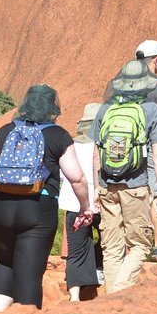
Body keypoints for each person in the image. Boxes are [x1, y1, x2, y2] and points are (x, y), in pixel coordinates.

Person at [0, 84, 94, 311]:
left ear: (25, 105)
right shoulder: (58, 136)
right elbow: (77, 178)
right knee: (29, 271)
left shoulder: (6, 130)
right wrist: (85, 207)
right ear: (52, 108)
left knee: (4, 262)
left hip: (1, 208)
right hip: (38, 209)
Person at [91, 60, 157, 293]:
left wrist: (96, 186)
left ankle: (111, 297)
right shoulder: (152, 111)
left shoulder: (105, 109)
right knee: (139, 246)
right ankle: (118, 294)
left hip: (107, 186)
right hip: (136, 186)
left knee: (112, 248)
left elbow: (96, 153)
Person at [104, 40, 157, 262]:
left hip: (118, 146)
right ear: (155, 59)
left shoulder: (118, 83)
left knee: (121, 189)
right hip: (148, 147)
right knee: (156, 192)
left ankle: (122, 247)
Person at [58, 103, 104, 302]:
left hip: (75, 204)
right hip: (101, 202)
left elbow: (61, 175)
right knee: (110, 243)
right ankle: (101, 275)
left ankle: (75, 297)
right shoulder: (104, 144)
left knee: (75, 250)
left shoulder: (70, 146)